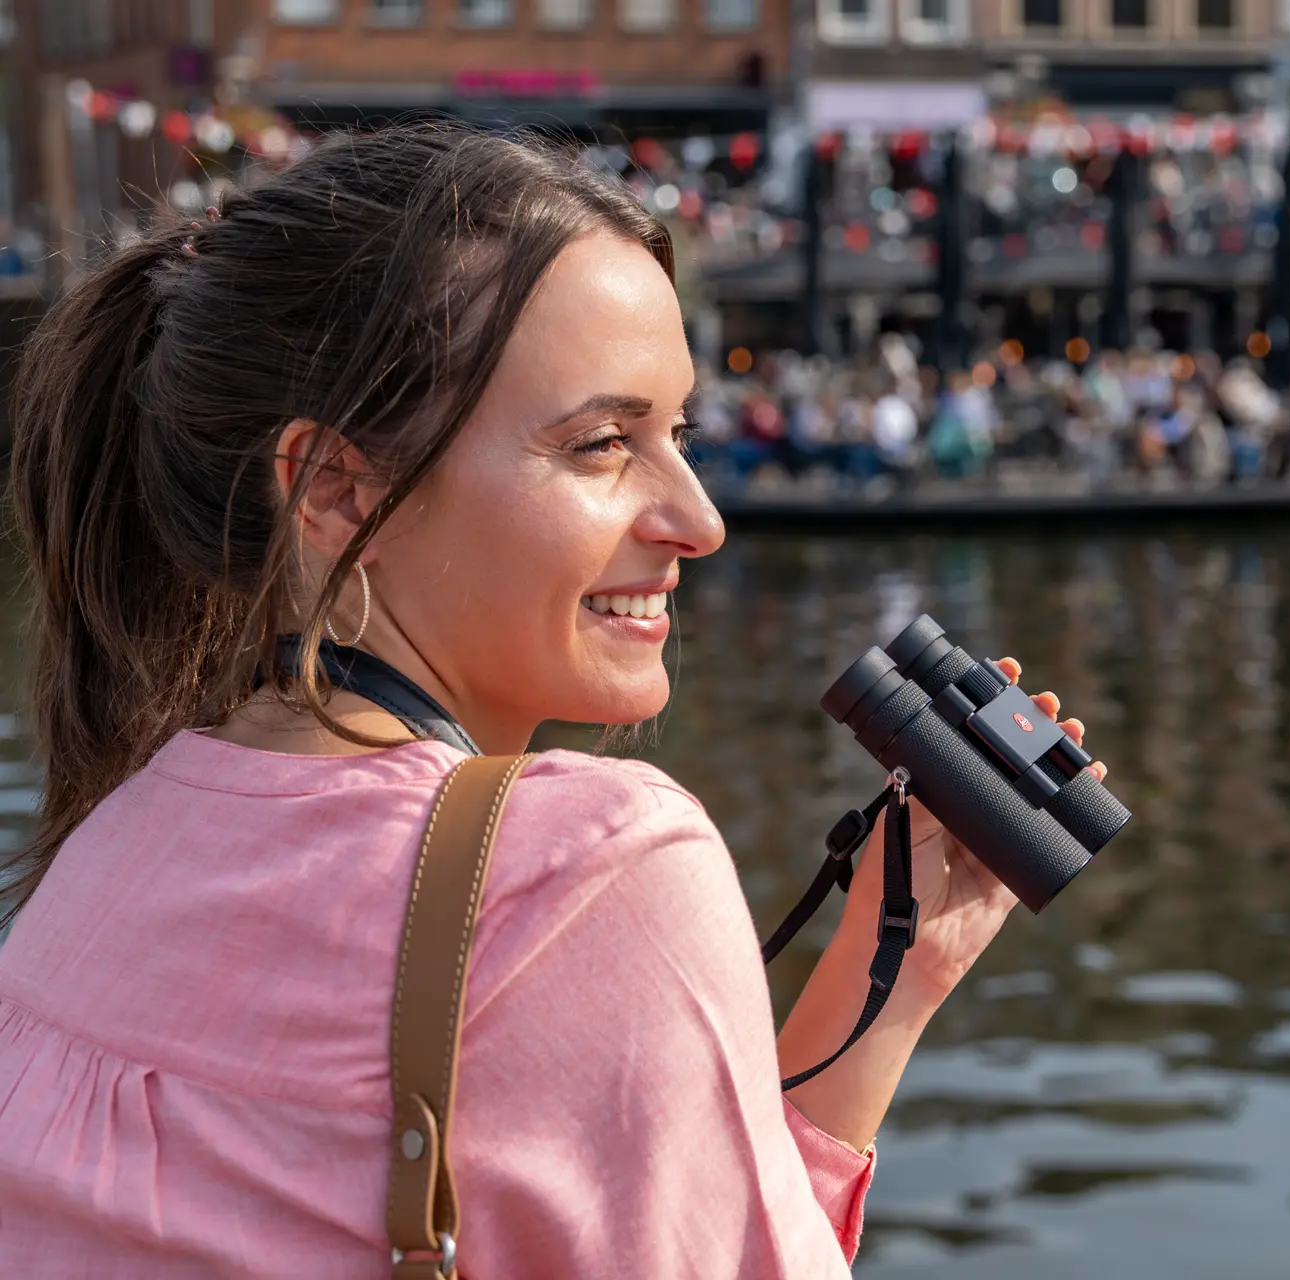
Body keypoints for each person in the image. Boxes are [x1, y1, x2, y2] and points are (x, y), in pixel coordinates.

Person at [0, 127, 1106, 1276]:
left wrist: (895, 970)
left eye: (677, 433)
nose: (700, 519)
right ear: (334, 487)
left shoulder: (104, 846)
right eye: (600, 443)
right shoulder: (585, 866)